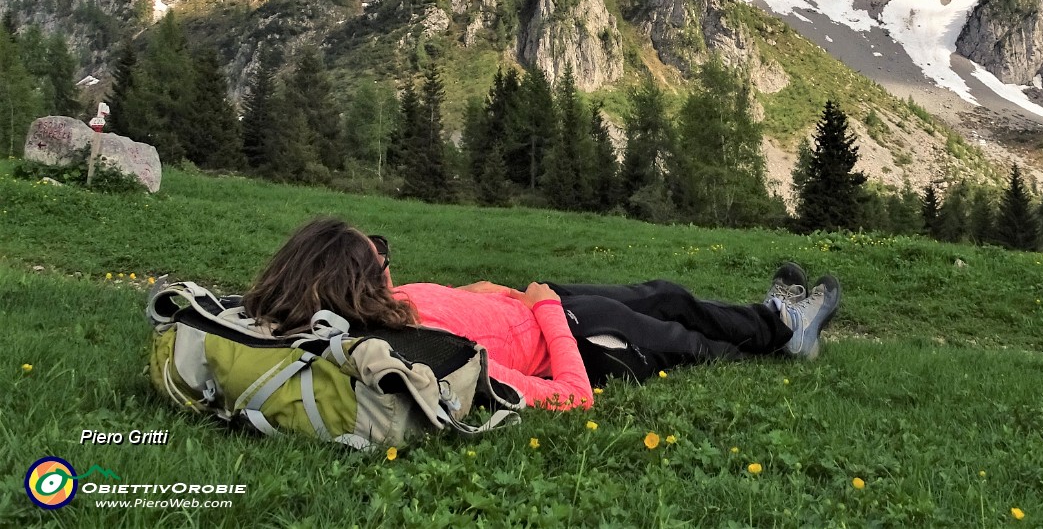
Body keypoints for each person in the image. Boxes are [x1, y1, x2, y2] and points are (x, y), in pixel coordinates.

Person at [243, 217, 841, 412]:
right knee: (681, 337)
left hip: (527, 303)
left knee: (665, 291)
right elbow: (571, 395)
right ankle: (786, 331)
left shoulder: (364, 312)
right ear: (357, 287)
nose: (391, 268)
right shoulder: (419, 349)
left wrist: (482, 292)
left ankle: (773, 318)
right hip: (569, 337)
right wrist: (548, 309)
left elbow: (445, 307)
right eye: (382, 262)